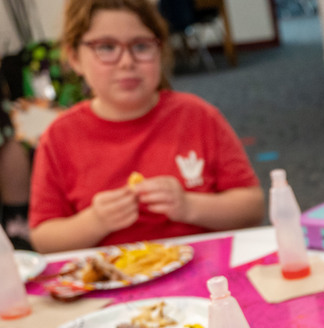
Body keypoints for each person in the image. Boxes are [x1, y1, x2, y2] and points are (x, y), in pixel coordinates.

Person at [28, 0, 264, 253]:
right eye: (106, 47)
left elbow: (252, 207)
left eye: (141, 46)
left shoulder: (198, 116)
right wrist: (95, 222)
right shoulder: (59, 136)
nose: (127, 62)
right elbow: (43, 238)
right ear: (74, 58)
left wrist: (189, 206)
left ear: (159, 51)